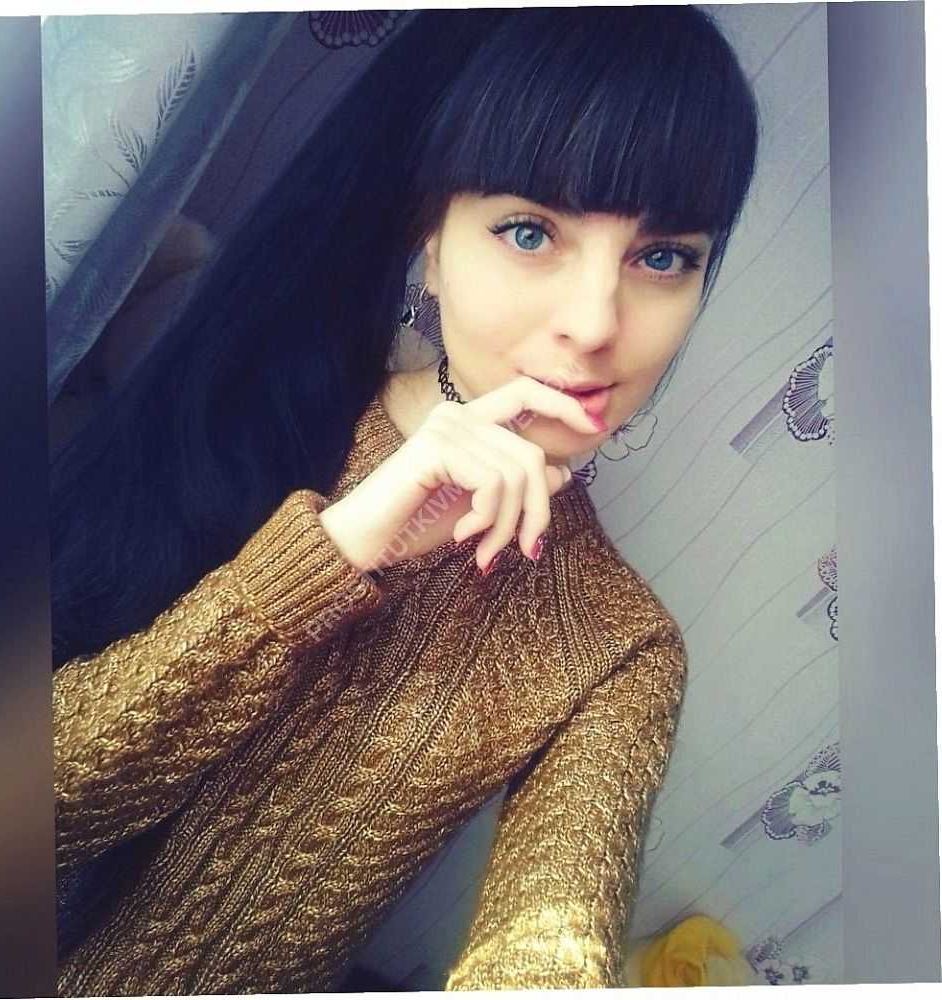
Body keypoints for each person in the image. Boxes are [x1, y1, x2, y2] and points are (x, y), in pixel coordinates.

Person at [51, 6, 759, 994]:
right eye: (529, 231)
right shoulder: (257, 394)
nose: (597, 324)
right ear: (432, 239)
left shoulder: (618, 649)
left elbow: (545, 946)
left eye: (665, 256)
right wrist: (327, 558)